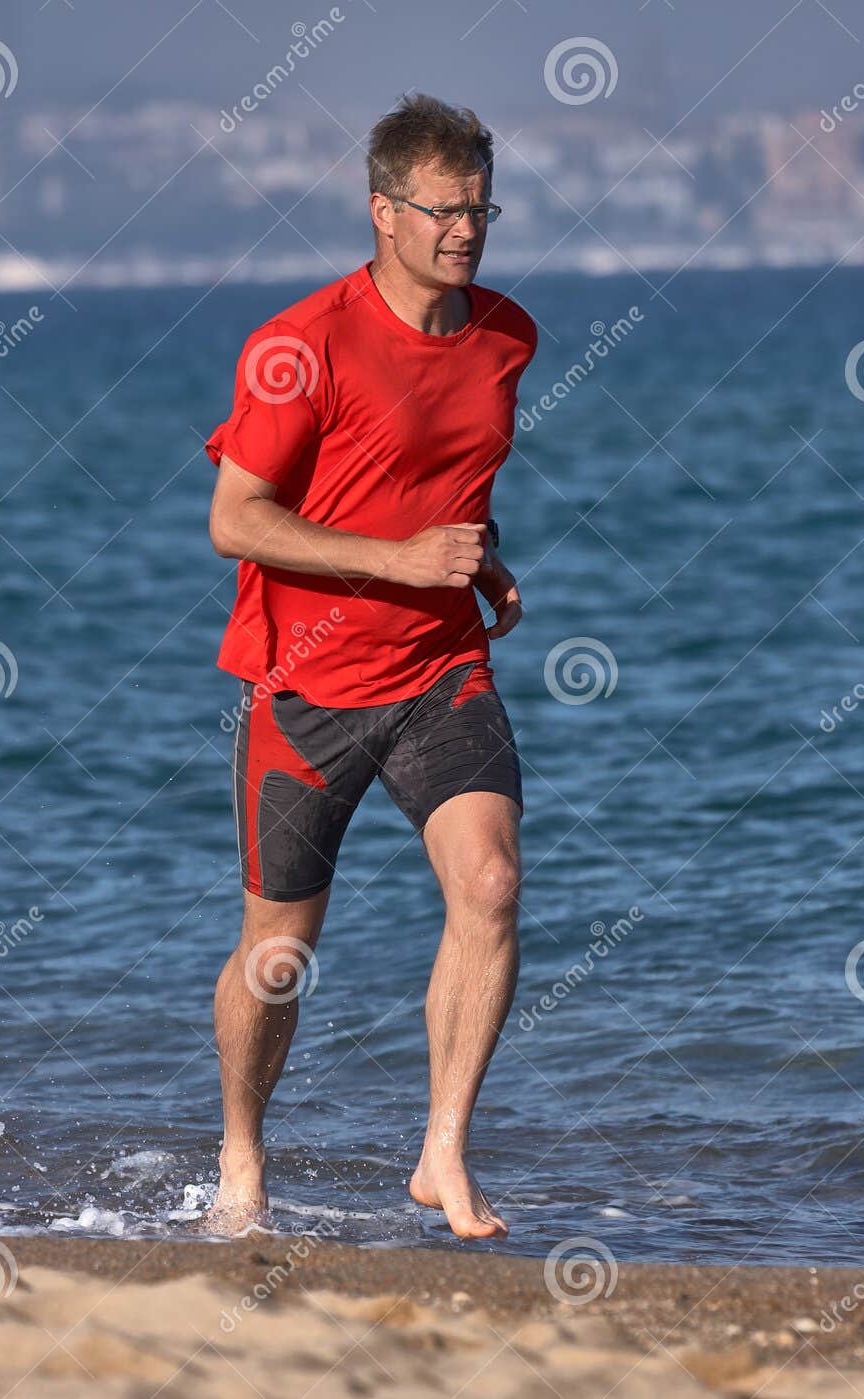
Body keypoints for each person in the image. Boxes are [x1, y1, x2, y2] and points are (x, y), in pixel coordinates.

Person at [204, 92, 537, 1240]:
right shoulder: (300, 349)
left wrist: (477, 562)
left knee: (489, 884)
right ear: (381, 211)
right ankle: (242, 1153)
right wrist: (397, 558)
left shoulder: (506, 335)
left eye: (480, 208)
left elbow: (446, 480)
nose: (465, 231)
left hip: (441, 671)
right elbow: (238, 520)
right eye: (443, 211)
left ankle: (442, 1152)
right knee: (277, 954)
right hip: (306, 689)